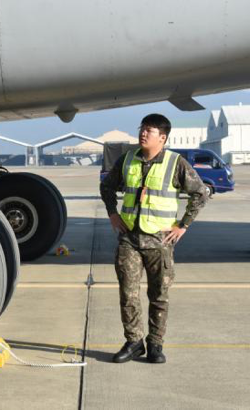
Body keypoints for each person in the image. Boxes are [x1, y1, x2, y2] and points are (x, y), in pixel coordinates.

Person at [100, 113, 208, 364]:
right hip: (129, 238)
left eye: (149, 130)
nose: (143, 133)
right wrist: (112, 214)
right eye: (142, 129)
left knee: (159, 295)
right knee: (128, 294)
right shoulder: (127, 159)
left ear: (163, 137)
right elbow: (107, 187)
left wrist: (183, 225)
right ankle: (134, 342)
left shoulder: (175, 162)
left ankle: (155, 344)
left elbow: (200, 193)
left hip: (160, 241)